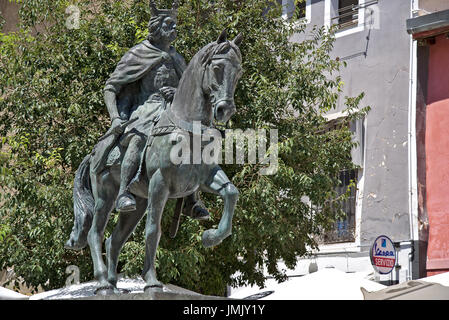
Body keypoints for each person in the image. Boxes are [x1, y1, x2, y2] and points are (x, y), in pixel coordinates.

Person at [100, 0, 209, 218]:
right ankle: (124, 193)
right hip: (145, 108)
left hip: (172, 110)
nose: (175, 28)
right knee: (138, 138)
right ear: (156, 27)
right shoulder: (138, 53)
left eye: (176, 24)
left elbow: (189, 91)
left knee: (197, 137)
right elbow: (111, 87)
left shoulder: (178, 58)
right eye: (170, 24)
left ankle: (192, 199)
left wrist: (176, 92)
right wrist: (114, 117)